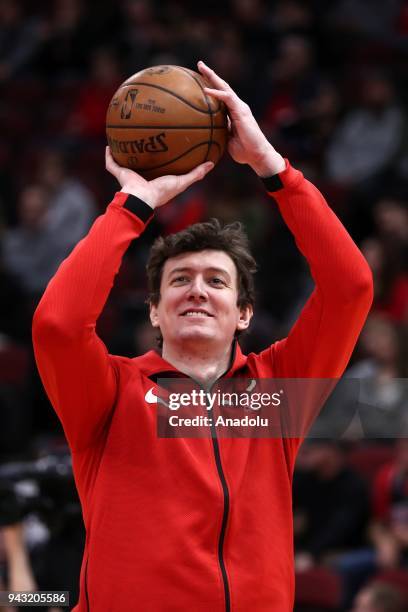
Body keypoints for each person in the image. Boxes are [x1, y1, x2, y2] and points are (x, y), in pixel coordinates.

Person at [32, 61, 373, 611]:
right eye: (179, 281)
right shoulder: (109, 394)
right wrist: (133, 205)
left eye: (216, 281)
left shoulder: (277, 392)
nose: (196, 291)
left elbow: (351, 286)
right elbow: (57, 326)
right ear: (154, 312)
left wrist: (273, 168)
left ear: (243, 314)